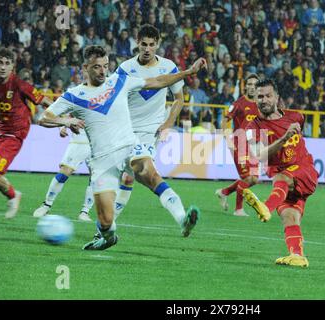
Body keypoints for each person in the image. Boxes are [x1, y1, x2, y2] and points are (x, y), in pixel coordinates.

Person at [38, 45, 206, 250]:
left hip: (129, 146)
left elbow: (158, 81)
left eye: (105, 66)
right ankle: (107, 237)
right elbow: (44, 118)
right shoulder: (74, 95)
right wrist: (65, 121)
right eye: (97, 67)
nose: (102, 71)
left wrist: (188, 72)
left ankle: (183, 220)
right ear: (85, 67)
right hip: (102, 160)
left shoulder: (119, 81)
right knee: (106, 220)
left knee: (148, 172)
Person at [111, 24, 199, 237]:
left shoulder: (169, 67)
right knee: (130, 177)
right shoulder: (125, 69)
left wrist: (169, 122)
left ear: (158, 45)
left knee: (143, 173)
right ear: (137, 43)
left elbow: (179, 99)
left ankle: (181, 218)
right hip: (125, 131)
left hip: (151, 132)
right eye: (144, 44)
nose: (147, 48)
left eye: (152, 44)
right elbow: (112, 98)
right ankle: (106, 225)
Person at [242, 79, 319, 268]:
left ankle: (266, 206)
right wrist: (285, 138)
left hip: (304, 171)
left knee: (281, 176)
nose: (263, 100)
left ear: (277, 98)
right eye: (260, 96)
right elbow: (259, 156)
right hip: (283, 186)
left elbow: (300, 126)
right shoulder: (252, 128)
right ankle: (298, 255)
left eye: (268, 95)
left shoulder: (295, 117)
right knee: (290, 217)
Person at [0, 48, 54, 218]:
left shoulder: (19, 84)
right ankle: (13, 195)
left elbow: (43, 100)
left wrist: (63, 116)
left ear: (12, 67)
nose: (3, 67)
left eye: (7, 63)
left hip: (14, 134)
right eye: (0, 62)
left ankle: (12, 195)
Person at [215, 73, 260, 217]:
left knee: (254, 179)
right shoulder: (239, 103)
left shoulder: (260, 104)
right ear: (245, 86)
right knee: (247, 178)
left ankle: (224, 192)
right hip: (239, 143)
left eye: (255, 85)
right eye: (249, 84)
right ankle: (238, 209)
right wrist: (226, 137)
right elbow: (225, 119)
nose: (252, 87)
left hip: (254, 145)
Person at [32, 127, 94, 222]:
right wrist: (62, 127)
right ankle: (46, 205)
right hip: (80, 138)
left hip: (100, 142)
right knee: (64, 172)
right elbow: (64, 113)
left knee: (96, 179)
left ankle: (85, 212)